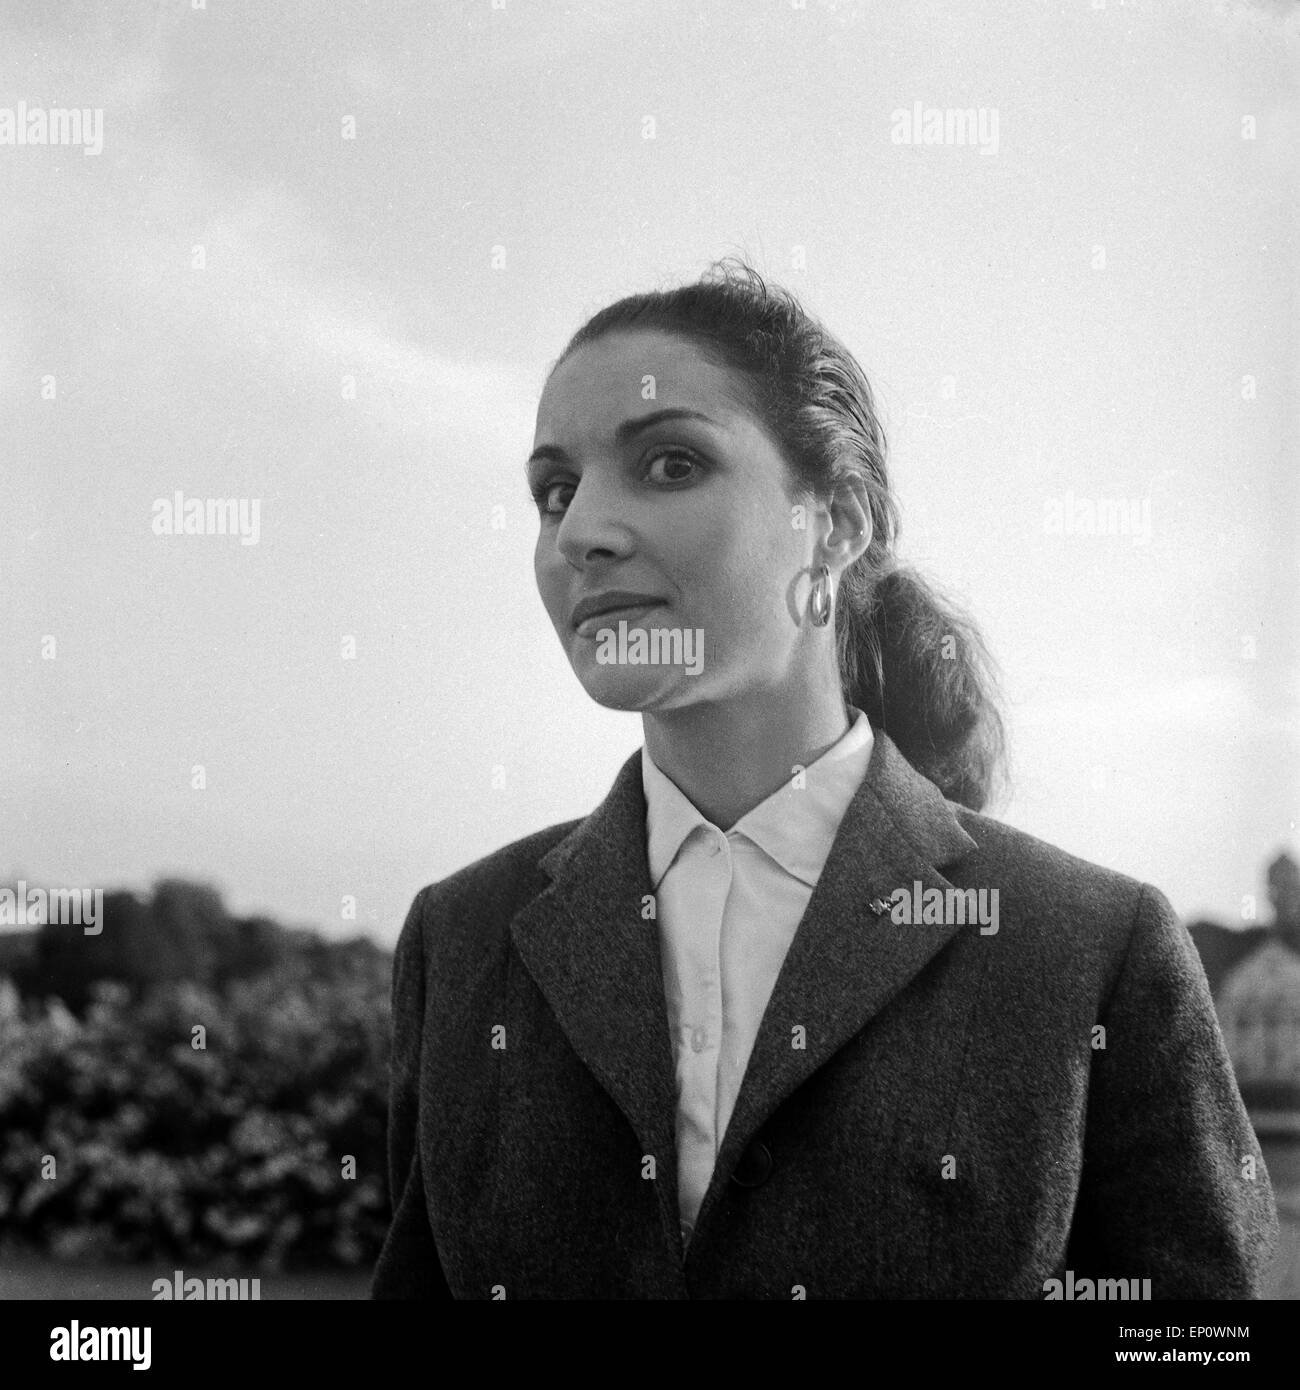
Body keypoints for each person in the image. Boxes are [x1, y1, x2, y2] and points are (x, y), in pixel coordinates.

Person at [371, 259, 1278, 1299]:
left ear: (837, 521)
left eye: (669, 463)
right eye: (554, 490)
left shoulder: (1090, 947)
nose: (580, 531)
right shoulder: (461, 939)